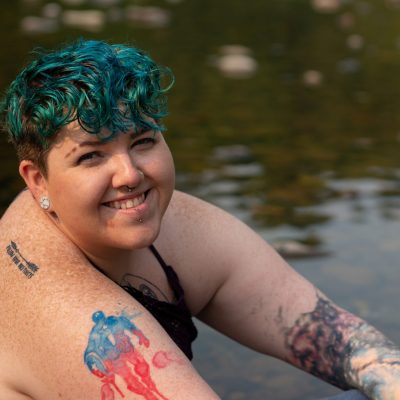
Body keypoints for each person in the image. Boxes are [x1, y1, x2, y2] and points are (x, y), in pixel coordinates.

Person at [0, 39, 398, 400]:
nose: (129, 175)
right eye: (91, 156)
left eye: (143, 141)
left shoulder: (172, 227)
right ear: (38, 180)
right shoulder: (60, 305)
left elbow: (339, 342)